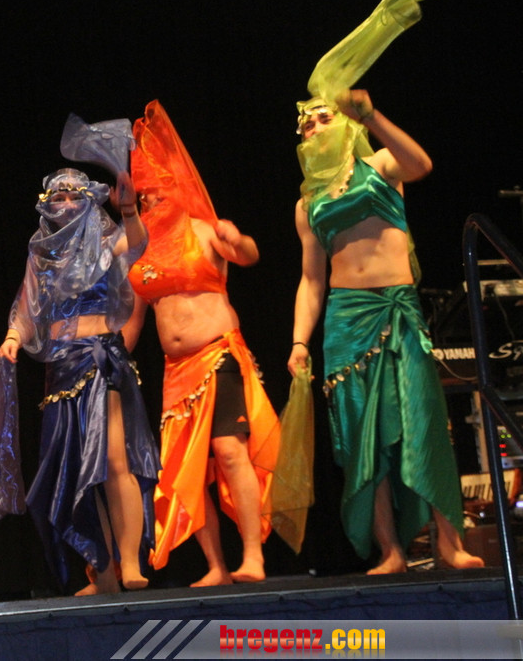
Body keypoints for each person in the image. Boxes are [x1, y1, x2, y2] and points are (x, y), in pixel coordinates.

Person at [288, 89, 483, 574]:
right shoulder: (307, 204)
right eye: (306, 126)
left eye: (323, 119)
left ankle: (450, 542)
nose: (314, 129)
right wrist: (298, 341)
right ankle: (390, 549)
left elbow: (421, 164)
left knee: (423, 419)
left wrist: (372, 115)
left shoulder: (380, 165)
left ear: (345, 125)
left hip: (397, 309)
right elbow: (312, 280)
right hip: (345, 320)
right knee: (363, 436)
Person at [123, 100, 280, 586]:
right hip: (176, 372)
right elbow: (133, 323)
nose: (151, 203)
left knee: (229, 451)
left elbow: (249, 255)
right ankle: (216, 566)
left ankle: (252, 556)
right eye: (144, 198)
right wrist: (108, 363)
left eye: (157, 193)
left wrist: (237, 239)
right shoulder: (141, 251)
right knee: (187, 470)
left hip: (218, 355)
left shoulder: (203, 229)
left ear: (176, 189)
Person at [0, 167, 160, 595]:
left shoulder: (105, 242)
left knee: (114, 461)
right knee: (77, 473)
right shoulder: (42, 255)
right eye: (59, 198)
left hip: (100, 355)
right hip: (61, 367)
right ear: (47, 206)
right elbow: (27, 308)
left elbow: (136, 244)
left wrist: (129, 210)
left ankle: (130, 563)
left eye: (74, 197)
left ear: (89, 202)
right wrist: (13, 337)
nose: (66, 204)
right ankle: (103, 574)